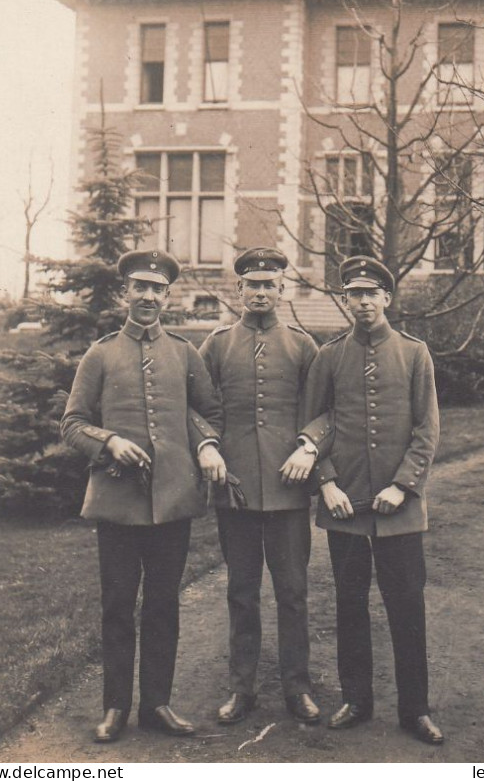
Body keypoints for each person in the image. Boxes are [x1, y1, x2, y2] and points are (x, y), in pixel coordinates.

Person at [61, 249, 227, 744]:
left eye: (157, 289)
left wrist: (207, 446)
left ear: (168, 296)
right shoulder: (101, 354)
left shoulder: (185, 353)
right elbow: (71, 423)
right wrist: (108, 440)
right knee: (116, 604)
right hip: (116, 501)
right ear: (125, 293)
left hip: (173, 501)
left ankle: (157, 704)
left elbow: (209, 414)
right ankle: (115, 707)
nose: (148, 296)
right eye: (140, 287)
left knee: (162, 605)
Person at [300, 255, 444, 745]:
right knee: (349, 604)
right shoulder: (329, 354)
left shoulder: (413, 352)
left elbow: (427, 429)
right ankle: (356, 699)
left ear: (387, 298)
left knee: (407, 606)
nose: (362, 302)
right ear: (345, 300)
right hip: (345, 507)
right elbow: (312, 425)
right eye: (353, 294)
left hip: (399, 508)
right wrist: (327, 483)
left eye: (371, 293)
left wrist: (403, 484)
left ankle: (415, 710)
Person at [199, 247, 324, 726]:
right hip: (236, 491)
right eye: (252, 285)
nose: (260, 293)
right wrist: (209, 444)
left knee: (292, 592)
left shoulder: (301, 345)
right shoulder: (217, 344)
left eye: (269, 285)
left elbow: (324, 409)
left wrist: (309, 444)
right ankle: (241, 688)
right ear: (239, 290)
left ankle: (298, 688)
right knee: (241, 591)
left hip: (288, 489)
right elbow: (198, 407)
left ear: (281, 291)